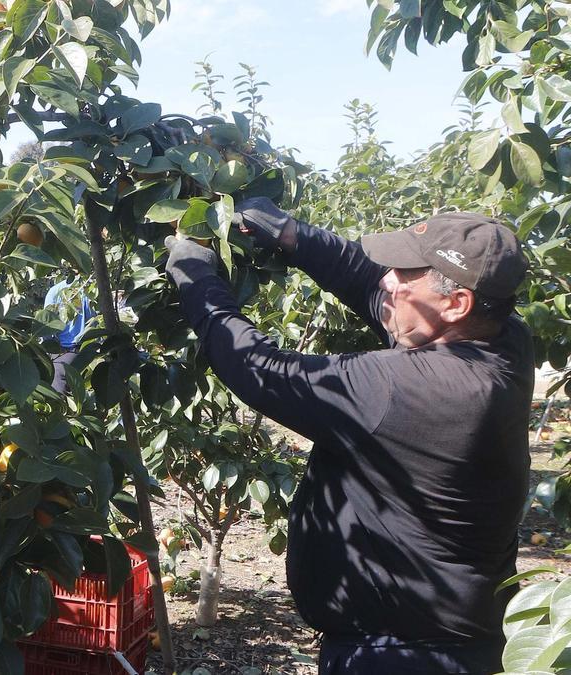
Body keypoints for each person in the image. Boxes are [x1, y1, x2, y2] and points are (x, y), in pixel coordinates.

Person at [163, 198, 532, 674]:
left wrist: (198, 281)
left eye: (404, 274)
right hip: (452, 636)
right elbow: (368, 282)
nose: (388, 281)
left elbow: (259, 369)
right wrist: (293, 236)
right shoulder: (504, 340)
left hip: (406, 657)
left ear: (456, 303)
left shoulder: (404, 389)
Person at [43, 276, 96, 393]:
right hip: (84, 349)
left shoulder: (54, 291)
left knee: (56, 384)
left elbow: (45, 326)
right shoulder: (88, 292)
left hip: (62, 349)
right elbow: (93, 322)